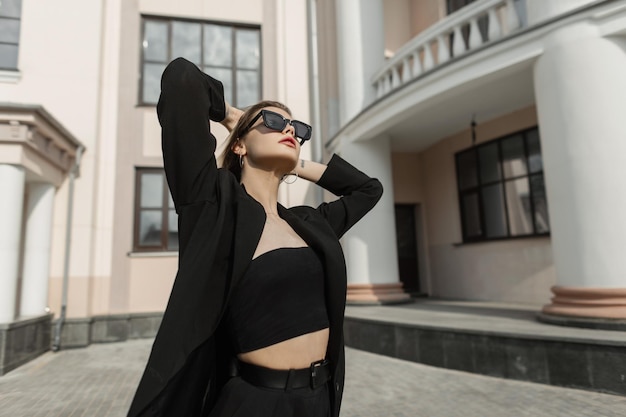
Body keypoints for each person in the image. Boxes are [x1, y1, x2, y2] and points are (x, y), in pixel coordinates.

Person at [127, 57, 382, 417]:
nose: (290, 129)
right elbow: (183, 77)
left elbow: (368, 190)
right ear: (239, 146)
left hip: (319, 401)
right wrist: (234, 117)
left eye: (297, 128)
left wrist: (294, 161)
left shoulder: (310, 223)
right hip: (255, 403)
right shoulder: (214, 208)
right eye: (274, 122)